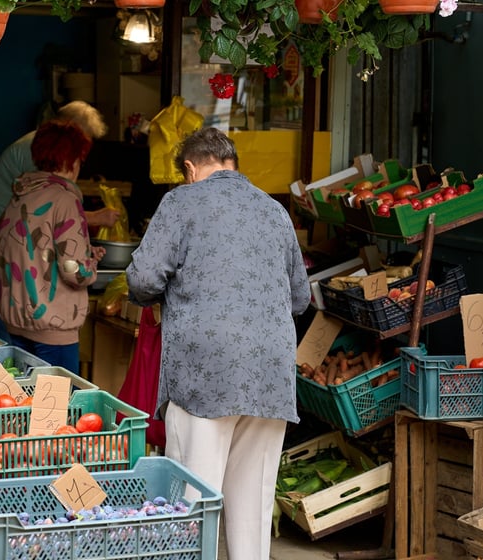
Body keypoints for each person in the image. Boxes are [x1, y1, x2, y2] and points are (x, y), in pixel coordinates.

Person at [125, 127, 311, 560]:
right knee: (253, 506)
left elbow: (143, 278)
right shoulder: (274, 210)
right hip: (270, 376)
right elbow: (300, 298)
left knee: (193, 501)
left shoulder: (181, 201)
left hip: (204, 372)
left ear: (190, 169)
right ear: (231, 163)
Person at [0, 101, 119, 341]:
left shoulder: (40, 147)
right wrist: (96, 219)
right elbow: (46, 212)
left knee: (13, 319)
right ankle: (11, 364)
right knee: (7, 323)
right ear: (70, 129)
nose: (81, 155)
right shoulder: (41, 152)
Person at [0, 120, 105, 374]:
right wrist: (90, 265)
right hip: (53, 326)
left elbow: (32, 251)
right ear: (72, 161)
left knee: (25, 394)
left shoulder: (20, 196)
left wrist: (86, 252)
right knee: (57, 399)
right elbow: (75, 271)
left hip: (17, 319)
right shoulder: (65, 200)